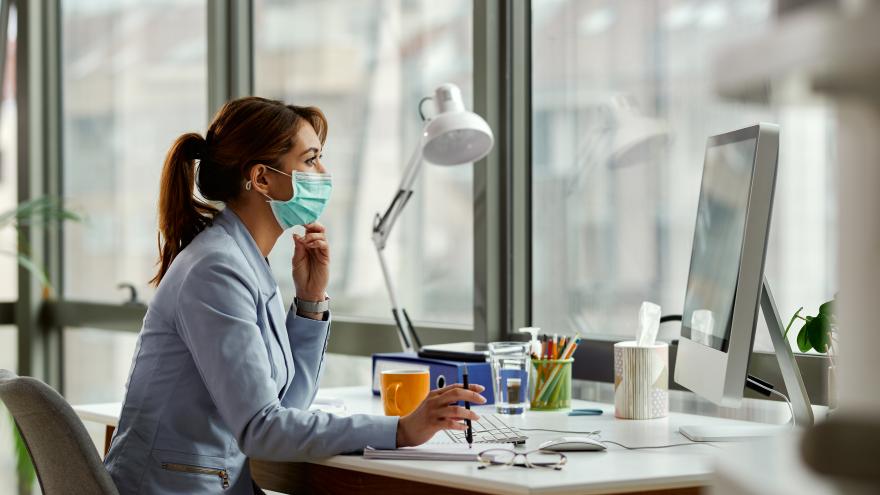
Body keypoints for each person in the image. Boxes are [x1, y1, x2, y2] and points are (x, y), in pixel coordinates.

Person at [104, 96, 485, 494]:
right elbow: (262, 429)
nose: (323, 172)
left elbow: (286, 410)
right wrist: (402, 429)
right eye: (310, 160)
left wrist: (310, 301)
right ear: (262, 179)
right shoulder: (216, 270)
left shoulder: (242, 259)